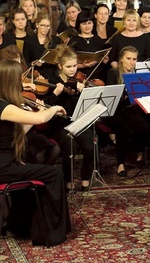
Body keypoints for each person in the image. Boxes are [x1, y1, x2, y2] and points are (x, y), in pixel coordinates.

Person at [0, 58, 69, 246]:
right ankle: (50, 232)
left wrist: (46, 113)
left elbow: (15, 133)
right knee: (54, 173)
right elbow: (40, 118)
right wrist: (53, 108)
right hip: (4, 168)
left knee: (41, 167)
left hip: (0, 163)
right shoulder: (3, 107)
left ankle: (23, 224)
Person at [42, 48, 95, 191]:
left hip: (78, 121)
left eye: (74, 66)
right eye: (68, 66)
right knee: (69, 146)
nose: (72, 70)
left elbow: (83, 106)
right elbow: (45, 105)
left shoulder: (78, 81)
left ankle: (85, 178)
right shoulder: (53, 82)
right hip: (60, 124)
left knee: (90, 146)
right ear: (60, 66)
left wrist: (83, 93)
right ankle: (68, 181)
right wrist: (55, 93)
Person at [104, 47, 150, 177]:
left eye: (134, 59)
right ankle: (120, 164)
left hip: (132, 108)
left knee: (144, 127)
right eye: (128, 58)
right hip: (116, 110)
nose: (131, 62)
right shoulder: (113, 73)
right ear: (121, 60)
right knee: (123, 130)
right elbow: (112, 97)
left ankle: (140, 154)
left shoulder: (138, 74)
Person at [23, 14, 62, 81]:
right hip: (37, 74)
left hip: (53, 73)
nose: (45, 28)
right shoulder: (29, 40)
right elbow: (25, 61)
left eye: (47, 26)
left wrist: (57, 60)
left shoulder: (56, 40)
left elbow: (61, 58)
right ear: (37, 25)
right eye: (42, 25)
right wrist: (33, 63)